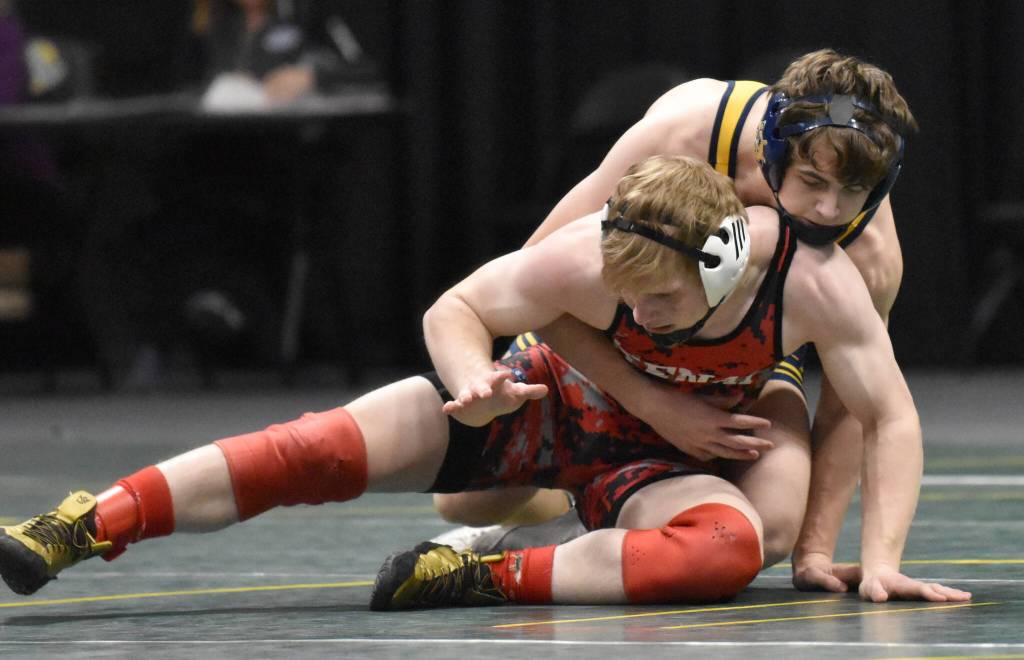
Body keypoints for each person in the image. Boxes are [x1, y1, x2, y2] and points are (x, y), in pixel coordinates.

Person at [0, 156, 967, 608]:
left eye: (663, 303)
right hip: (554, 398)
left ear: (720, 266)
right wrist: (473, 383)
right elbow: (457, 307)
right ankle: (89, 522)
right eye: (623, 297)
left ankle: (481, 568)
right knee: (317, 447)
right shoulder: (601, 253)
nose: (639, 318)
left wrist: (865, 556)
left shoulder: (812, 281)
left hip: (670, 459)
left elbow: (885, 416)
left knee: (723, 552)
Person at [431, 49, 918, 592]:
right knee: (464, 503)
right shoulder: (687, 131)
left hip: (742, 367)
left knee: (773, 530)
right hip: (618, 339)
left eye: (853, 192)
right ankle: (571, 500)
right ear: (771, 151)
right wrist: (654, 404)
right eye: (812, 181)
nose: (828, 211)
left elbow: (859, 406)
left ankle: (576, 528)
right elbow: (534, 277)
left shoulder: (870, 256)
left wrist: (816, 551)